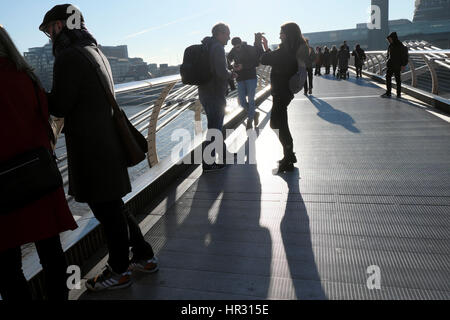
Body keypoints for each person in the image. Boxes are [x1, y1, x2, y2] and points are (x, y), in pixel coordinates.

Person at [39, 4, 158, 292]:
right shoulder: (94, 50)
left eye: (49, 29)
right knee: (113, 205)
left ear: (60, 25)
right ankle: (143, 255)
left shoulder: (69, 56)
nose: (49, 36)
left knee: (107, 211)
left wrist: (33, 88)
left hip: (91, 147)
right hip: (106, 140)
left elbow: (60, 105)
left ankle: (119, 271)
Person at [0, 25, 78, 300]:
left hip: (4, 186)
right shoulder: (28, 77)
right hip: (38, 174)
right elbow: (45, 118)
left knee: (8, 266)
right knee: (51, 251)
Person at [259, 22, 309, 173]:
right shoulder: (296, 48)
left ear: (288, 34)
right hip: (284, 91)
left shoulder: (286, 51)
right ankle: (289, 154)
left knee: (278, 125)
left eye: (282, 32)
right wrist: (267, 47)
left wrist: (262, 46)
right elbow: (271, 58)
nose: (279, 35)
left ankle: (288, 157)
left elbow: (264, 59)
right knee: (279, 124)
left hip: (282, 91)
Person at [199, 23, 236, 172]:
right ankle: (208, 163)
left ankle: (224, 154)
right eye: (227, 34)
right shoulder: (218, 47)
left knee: (215, 126)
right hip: (214, 93)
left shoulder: (207, 45)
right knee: (215, 128)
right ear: (220, 33)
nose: (229, 37)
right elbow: (221, 71)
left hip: (205, 92)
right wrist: (231, 74)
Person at [227, 36, 261, 129]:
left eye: (238, 46)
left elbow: (257, 62)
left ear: (241, 43)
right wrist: (232, 67)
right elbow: (228, 60)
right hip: (240, 78)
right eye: (234, 46)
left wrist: (244, 66)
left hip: (251, 77)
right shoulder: (233, 50)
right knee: (242, 101)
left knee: (251, 100)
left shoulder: (249, 48)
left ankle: (249, 121)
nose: (236, 48)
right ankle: (254, 114)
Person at [381, 32, 408, 99]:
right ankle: (389, 92)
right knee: (388, 78)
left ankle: (397, 93)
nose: (389, 40)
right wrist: (388, 61)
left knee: (397, 79)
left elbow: (404, 55)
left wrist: (403, 64)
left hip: (397, 65)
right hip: (391, 65)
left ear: (393, 38)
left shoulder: (400, 45)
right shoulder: (391, 45)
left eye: (390, 39)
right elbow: (388, 55)